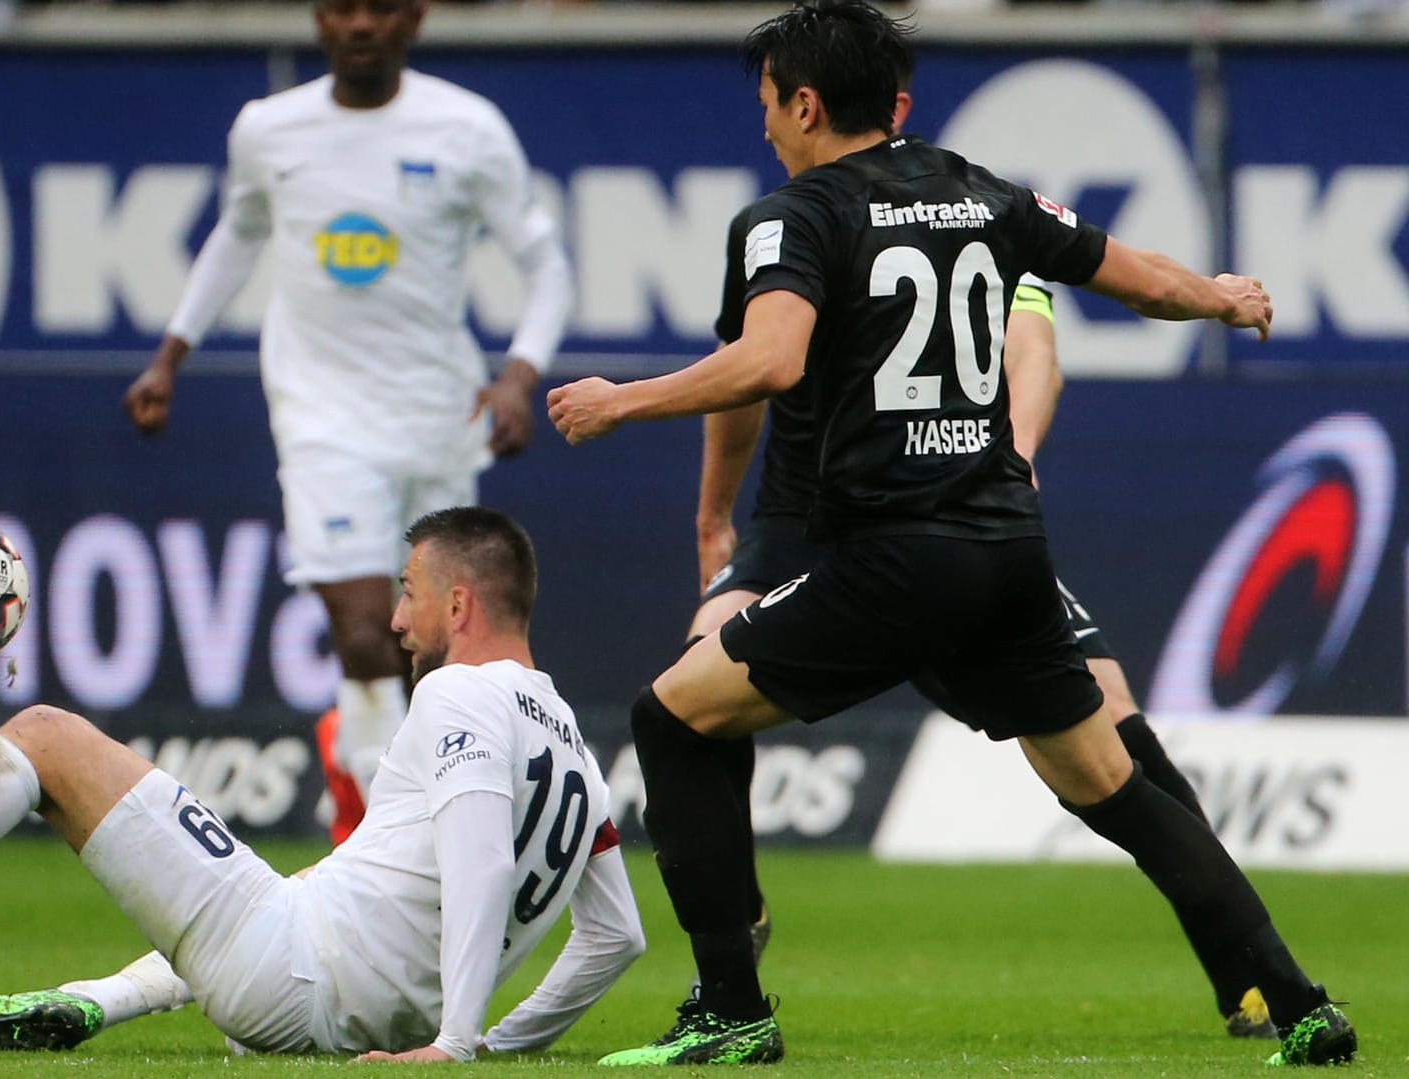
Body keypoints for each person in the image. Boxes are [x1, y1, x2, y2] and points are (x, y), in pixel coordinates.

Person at [547, 1, 1355, 1067]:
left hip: (891, 553)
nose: (764, 130)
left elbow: (772, 361)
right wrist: (1218, 297)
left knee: (675, 719)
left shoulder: (790, 217)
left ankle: (730, 1009)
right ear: (898, 102)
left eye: (766, 108)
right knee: (1110, 781)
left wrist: (621, 401)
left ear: (803, 102)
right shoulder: (980, 191)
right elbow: (1131, 272)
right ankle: (1298, 1002)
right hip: (1006, 548)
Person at [692, 65, 1273, 1039]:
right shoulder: (800, 224)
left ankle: (1248, 973)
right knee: (698, 672)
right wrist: (718, 516)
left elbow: (1031, 346)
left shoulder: (972, 213)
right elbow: (750, 377)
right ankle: (735, 923)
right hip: (808, 520)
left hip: (950, 513)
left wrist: (1014, 456)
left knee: (1114, 715)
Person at [0, 507, 643, 1063]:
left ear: (461, 600)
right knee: (277, 881)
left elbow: (472, 854)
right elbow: (615, 939)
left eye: (411, 591)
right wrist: (506, 1039)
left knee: (44, 737)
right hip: (345, 993)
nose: (397, 618)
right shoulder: (575, 751)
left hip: (302, 976)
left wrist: (462, 1044)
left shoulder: (460, 694)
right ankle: (87, 1003)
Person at [123, 0, 573, 843]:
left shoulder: (465, 128)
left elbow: (544, 263)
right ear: (319, 20)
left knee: (442, 652)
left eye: (379, 9)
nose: (360, 24)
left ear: (414, 19)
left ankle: (420, 797)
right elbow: (238, 233)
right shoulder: (269, 129)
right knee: (368, 627)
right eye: (342, 8)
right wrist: (170, 355)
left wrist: (518, 377)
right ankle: (376, 835)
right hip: (321, 414)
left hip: (440, 417)